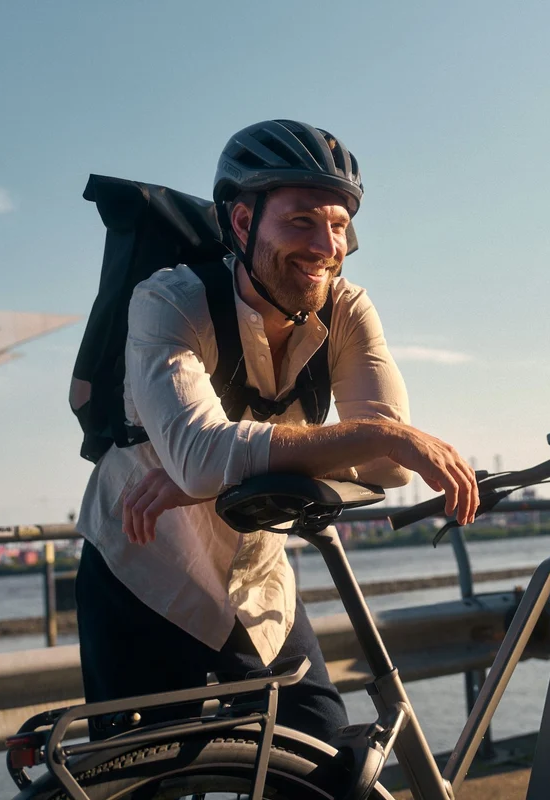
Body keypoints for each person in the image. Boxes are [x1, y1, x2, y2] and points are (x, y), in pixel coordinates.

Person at [74, 119, 479, 742]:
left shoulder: (347, 310)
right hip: (144, 575)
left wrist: (216, 477)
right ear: (242, 223)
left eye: (338, 225)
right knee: (146, 776)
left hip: (260, 587)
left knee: (323, 760)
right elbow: (205, 455)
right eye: (301, 221)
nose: (326, 246)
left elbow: (390, 467)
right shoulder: (169, 303)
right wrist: (375, 436)